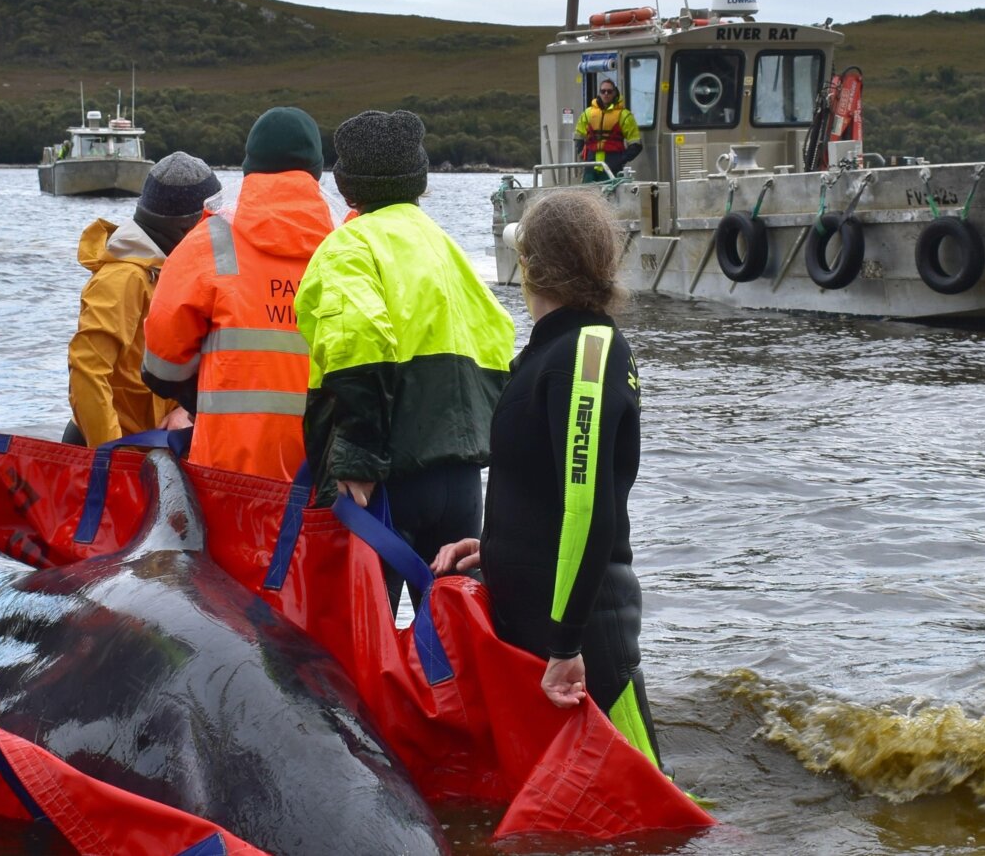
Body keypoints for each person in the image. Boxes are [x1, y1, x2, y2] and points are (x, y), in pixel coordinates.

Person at [429, 189, 662, 767]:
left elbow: (587, 508)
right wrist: (496, 547)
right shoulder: (550, 352)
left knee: (657, 810)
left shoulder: (586, 354)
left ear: (530, 264)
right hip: (542, 621)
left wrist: (566, 644)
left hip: (584, 633)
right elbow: (543, 488)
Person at [297, 110, 515, 609]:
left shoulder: (349, 245)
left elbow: (358, 346)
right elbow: (500, 339)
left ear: (348, 186)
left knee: (356, 640)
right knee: (455, 635)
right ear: (418, 180)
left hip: (386, 476)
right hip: (461, 481)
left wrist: (356, 458)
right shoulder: (445, 247)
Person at [142, 107, 334, 481]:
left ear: (248, 169)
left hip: (228, 471)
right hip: (326, 474)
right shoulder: (347, 241)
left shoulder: (206, 243)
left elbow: (161, 364)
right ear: (316, 170)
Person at [65, 152, 221, 446]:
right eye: (212, 223)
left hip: (152, 444)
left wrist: (185, 411)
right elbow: (87, 371)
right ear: (186, 228)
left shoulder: (168, 268)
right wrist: (109, 455)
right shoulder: (122, 278)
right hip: (113, 448)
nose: (218, 234)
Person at [574, 76, 642, 176]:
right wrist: (582, 154)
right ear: (599, 93)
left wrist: (621, 159)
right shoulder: (588, 113)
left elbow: (636, 144)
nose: (606, 94)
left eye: (609, 91)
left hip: (613, 165)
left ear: (614, 93)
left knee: (612, 191)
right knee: (588, 191)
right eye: (603, 91)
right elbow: (579, 135)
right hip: (591, 164)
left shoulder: (624, 115)